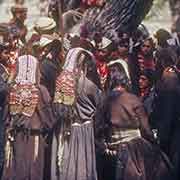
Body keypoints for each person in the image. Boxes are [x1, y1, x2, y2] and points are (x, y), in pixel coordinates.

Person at [95, 63, 173, 180]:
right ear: (126, 81)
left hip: (111, 153)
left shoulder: (104, 101)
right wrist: (154, 142)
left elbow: (98, 130)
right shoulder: (133, 100)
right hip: (133, 152)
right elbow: (146, 130)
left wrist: (106, 148)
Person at [51, 39, 101, 180]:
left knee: (65, 163)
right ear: (83, 64)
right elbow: (100, 105)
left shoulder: (61, 82)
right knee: (80, 166)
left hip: (64, 128)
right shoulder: (88, 85)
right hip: (83, 130)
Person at [2, 55, 55, 180]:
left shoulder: (11, 90)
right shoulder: (40, 91)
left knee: (15, 169)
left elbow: (5, 117)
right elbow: (49, 120)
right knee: (32, 171)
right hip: (33, 139)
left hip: (14, 138)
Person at [152, 47, 180, 180]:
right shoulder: (170, 76)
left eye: (156, 60)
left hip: (172, 132)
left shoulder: (169, 79)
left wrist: (163, 137)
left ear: (162, 61)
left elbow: (168, 110)